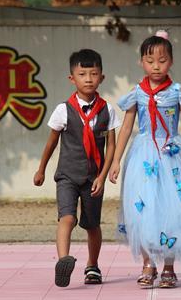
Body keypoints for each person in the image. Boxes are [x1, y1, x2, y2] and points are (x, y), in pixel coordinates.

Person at [109, 30, 181, 289]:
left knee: (174, 211)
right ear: (141, 61)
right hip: (142, 156)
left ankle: (169, 268)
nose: (156, 66)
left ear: (171, 62)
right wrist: (116, 161)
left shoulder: (177, 91)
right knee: (142, 211)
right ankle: (147, 264)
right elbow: (127, 127)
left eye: (162, 61)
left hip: (171, 153)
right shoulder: (136, 93)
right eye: (150, 61)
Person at [34, 49, 120, 287]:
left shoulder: (107, 110)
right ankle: (64, 261)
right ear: (72, 78)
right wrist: (41, 169)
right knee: (67, 218)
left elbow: (111, 146)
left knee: (92, 224)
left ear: (102, 77)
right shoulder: (63, 110)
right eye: (82, 74)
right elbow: (51, 143)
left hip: (94, 177)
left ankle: (92, 266)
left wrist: (103, 176)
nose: (89, 79)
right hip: (67, 176)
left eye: (94, 74)